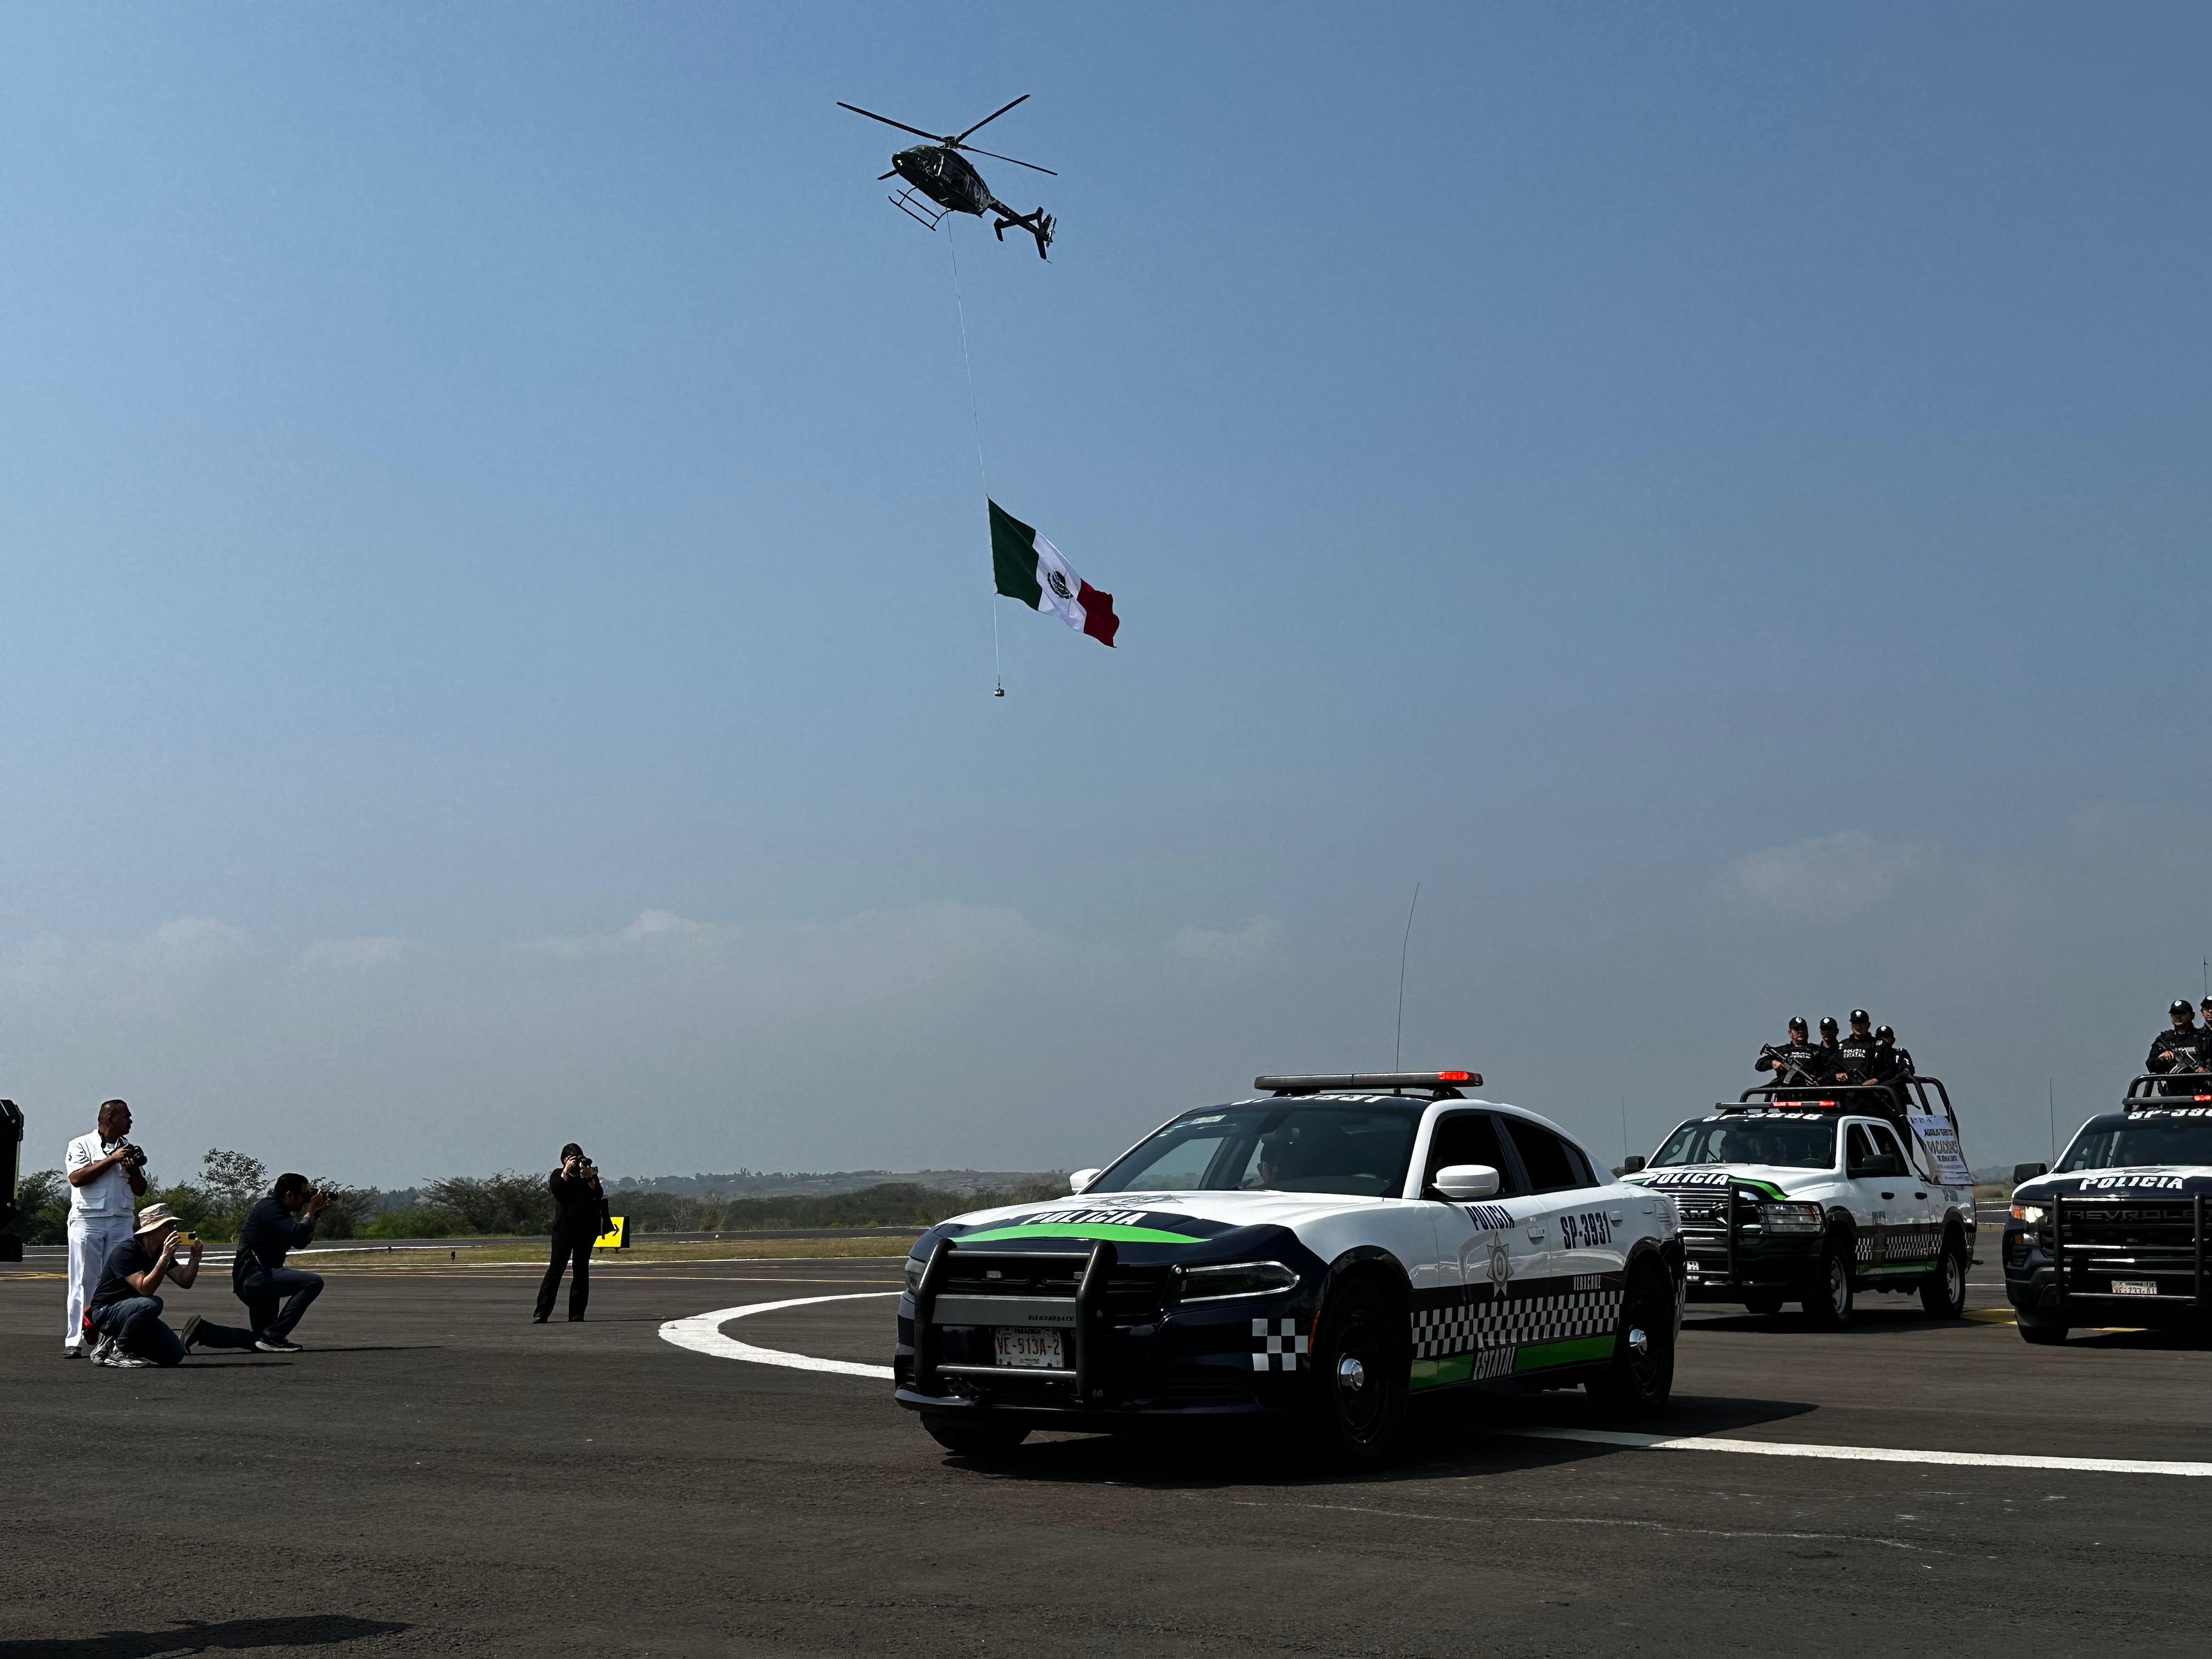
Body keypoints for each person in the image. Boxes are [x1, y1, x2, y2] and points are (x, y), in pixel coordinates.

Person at [84, 1203, 259, 1368]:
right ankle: (120, 1350)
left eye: (173, 1226)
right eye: (168, 1227)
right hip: (106, 1311)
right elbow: (145, 1289)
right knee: (153, 1303)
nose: (173, 1231)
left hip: (134, 1312)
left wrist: (195, 1259)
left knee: (174, 1354)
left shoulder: (161, 1251)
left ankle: (117, 1343)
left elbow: (185, 1281)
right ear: (153, 1230)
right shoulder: (127, 1252)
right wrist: (165, 1258)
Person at [63, 1100, 147, 1358]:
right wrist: (111, 1160)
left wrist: (133, 1171)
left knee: (122, 1281)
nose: (131, 1121)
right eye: (126, 1117)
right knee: (83, 1281)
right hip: (88, 1220)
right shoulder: (81, 1145)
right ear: (110, 1119)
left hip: (120, 1220)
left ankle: (112, 1339)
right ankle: (75, 1338)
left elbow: (141, 1190)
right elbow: (77, 1178)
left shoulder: (128, 1149)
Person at [232, 1174, 329, 1352]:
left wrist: (315, 1214)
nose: (305, 1200)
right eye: (304, 1195)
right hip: (256, 1277)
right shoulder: (270, 1208)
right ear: (290, 1195)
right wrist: (310, 1211)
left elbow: (300, 1241)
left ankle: (204, 1331)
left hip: (261, 1277)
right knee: (313, 1282)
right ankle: (274, 1336)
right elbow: (296, 1233)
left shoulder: (278, 1211)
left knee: (259, 1340)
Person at [535, 1144, 612, 1323]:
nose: (577, 1161)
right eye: (573, 1158)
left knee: (581, 1270)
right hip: (564, 1231)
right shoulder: (558, 1175)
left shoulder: (588, 1175)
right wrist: (566, 1172)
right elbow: (558, 1191)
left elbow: (598, 1194)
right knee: (556, 1270)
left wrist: (590, 1178)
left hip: (586, 1230)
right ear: (564, 1160)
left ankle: (577, 1313)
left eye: (579, 1157)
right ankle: (542, 1312)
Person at [2147, 1000, 2211, 1096]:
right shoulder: (2164, 1040)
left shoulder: (2204, 1038)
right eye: (2175, 1013)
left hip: (2202, 1095)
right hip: (2173, 1098)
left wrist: (2205, 1070)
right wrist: (2162, 1058)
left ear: (2192, 1016)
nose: (2178, 1016)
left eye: (2182, 1013)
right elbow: (2151, 1066)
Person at [1756, 1018, 1822, 1084]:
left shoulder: (1816, 1050)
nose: (1801, 1032)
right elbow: (1759, 1065)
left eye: (1803, 1029)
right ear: (1790, 1032)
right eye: (1797, 1029)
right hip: (1787, 1091)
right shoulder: (1782, 1051)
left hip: (1811, 1089)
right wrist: (1773, 1062)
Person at [1834, 1010, 1881, 1085]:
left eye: (1862, 1022)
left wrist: (1877, 1080)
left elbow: (1889, 1068)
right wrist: (1837, 1074)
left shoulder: (1878, 1045)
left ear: (1868, 1025)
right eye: (1855, 1023)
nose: (1859, 1026)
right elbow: (1833, 1066)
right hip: (1846, 1091)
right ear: (1852, 1025)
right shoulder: (1842, 1045)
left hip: (1870, 1091)